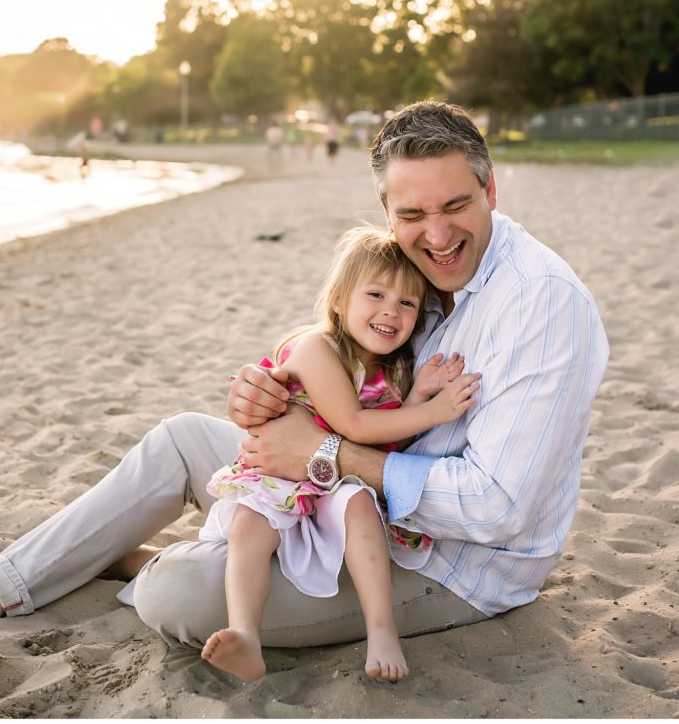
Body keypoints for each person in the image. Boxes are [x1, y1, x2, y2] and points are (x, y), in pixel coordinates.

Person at [0, 100, 608, 669]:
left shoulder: (541, 305)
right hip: (348, 498)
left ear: (492, 191)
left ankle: (141, 561)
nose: (437, 235)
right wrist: (273, 393)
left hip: (446, 566)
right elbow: (347, 361)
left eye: (458, 205)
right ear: (387, 212)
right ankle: (7, 582)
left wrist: (325, 456)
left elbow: (499, 508)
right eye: (413, 214)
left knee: (176, 595)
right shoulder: (422, 276)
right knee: (184, 439)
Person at [198, 226, 480, 681]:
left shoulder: (393, 370)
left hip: (335, 482)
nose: (391, 310)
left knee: (362, 508)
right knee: (249, 527)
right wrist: (435, 412)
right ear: (338, 300)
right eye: (375, 294)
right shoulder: (314, 348)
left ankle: (382, 631)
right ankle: (245, 633)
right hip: (282, 474)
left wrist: (414, 398)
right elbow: (353, 426)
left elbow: (381, 447)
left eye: (407, 302)